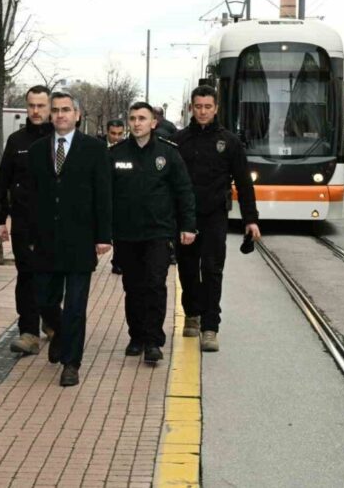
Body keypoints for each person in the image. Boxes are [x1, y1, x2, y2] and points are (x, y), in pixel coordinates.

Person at [27, 92, 112, 387]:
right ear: (50, 116)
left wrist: (104, 236)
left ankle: (71, 363)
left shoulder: (94, 149)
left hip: (80, 240)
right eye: (56, 110)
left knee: (76, 306)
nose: (61, 115)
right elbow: (30, 197)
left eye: (66, 110)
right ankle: (60, 333)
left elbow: (103, 194)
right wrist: (26, 235)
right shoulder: (37, 150)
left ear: (77, 115)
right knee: (44, 300)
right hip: (46, 241)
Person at [171, 86, 260, 352]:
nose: (202, 111)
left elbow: (244, 184)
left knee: (212, 270)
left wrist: (250, 219)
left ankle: (210, 327)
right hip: (185, 217)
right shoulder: (178, 141)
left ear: (216, 108)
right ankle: (192, 314)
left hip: (214, 216)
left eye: (207, 107)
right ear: (191, 107)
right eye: (198, 106)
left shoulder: (230, 142)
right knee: (187, 269)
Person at [110, 102, 195, 363]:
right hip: (126, 233)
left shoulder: (168, 154)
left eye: (142, 118)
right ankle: (136, 336)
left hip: (159, 232)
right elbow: (105, 194)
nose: (137, 123)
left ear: (153, 123)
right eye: (133, 118)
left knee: (155, 285)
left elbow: (183, 191)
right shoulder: (116, 154)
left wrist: (188, 226)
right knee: (132, 286)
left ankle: (153, 341)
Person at [0, 86, 59, 356]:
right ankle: (28, 332)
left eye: (41, 106)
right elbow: (2, 184)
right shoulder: (16, 141)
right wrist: (0, 221)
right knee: (26, 278)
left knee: (53, 277)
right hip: (23, 223)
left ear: (50, 108)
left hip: (55, 224)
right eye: (31, 105)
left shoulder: (61, 140)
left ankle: (52, 320)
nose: (35, 111)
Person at [105, 119, 126, 274]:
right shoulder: (99, 147)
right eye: (113, 133)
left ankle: (118, 260)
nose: (116, 137)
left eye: (120, 134)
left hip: (119, 196)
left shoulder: (125, 150)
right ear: (107, 132)